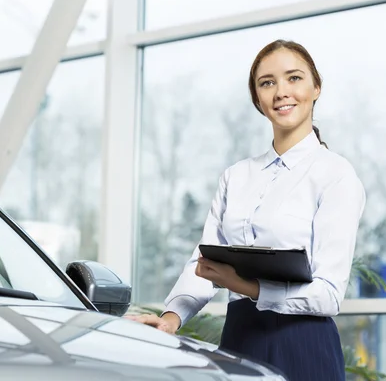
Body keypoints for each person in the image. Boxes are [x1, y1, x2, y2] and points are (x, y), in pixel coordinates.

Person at [127, 39, 366, 381]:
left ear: (316, 88)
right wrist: (171, 318)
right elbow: (204, 262)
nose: (281, 91)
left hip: (303, 344)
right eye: (267, 83)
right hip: (238, 342)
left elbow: (328, 294)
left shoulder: (336, 174)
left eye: (294, 78)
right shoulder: (236, 176)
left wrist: (247, 286)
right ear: (257, 99)